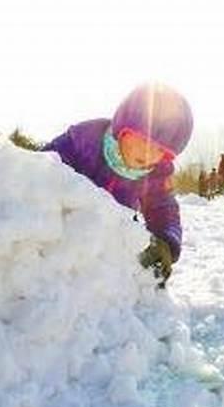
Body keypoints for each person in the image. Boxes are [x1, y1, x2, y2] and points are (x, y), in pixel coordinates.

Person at [40, 83, 193, 283]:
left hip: (108, 243)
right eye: (145, 142)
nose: (150, 155)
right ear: (123, 129)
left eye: (160, 151)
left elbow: (163, 208)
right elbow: (39, 172)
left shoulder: (155, 173)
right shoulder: (80, 143)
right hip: (59, 234)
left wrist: (165, 242)